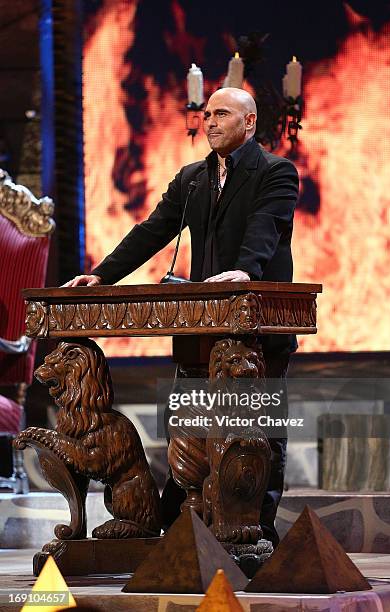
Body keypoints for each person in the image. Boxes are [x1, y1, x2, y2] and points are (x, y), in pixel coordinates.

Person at [65, 87, 299, 546]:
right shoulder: (192, 178)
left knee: (259, 434)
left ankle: (256, 532)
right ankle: (187, 531)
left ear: (249, 123)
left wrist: (245, 271)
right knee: (191, 427)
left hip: (257, 327)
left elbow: (265, 227)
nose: (209, 122)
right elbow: (152, 230)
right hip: (201, 328)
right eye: (206, 114)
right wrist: (102, 276)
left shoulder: (275, 172)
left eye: (222, 114)